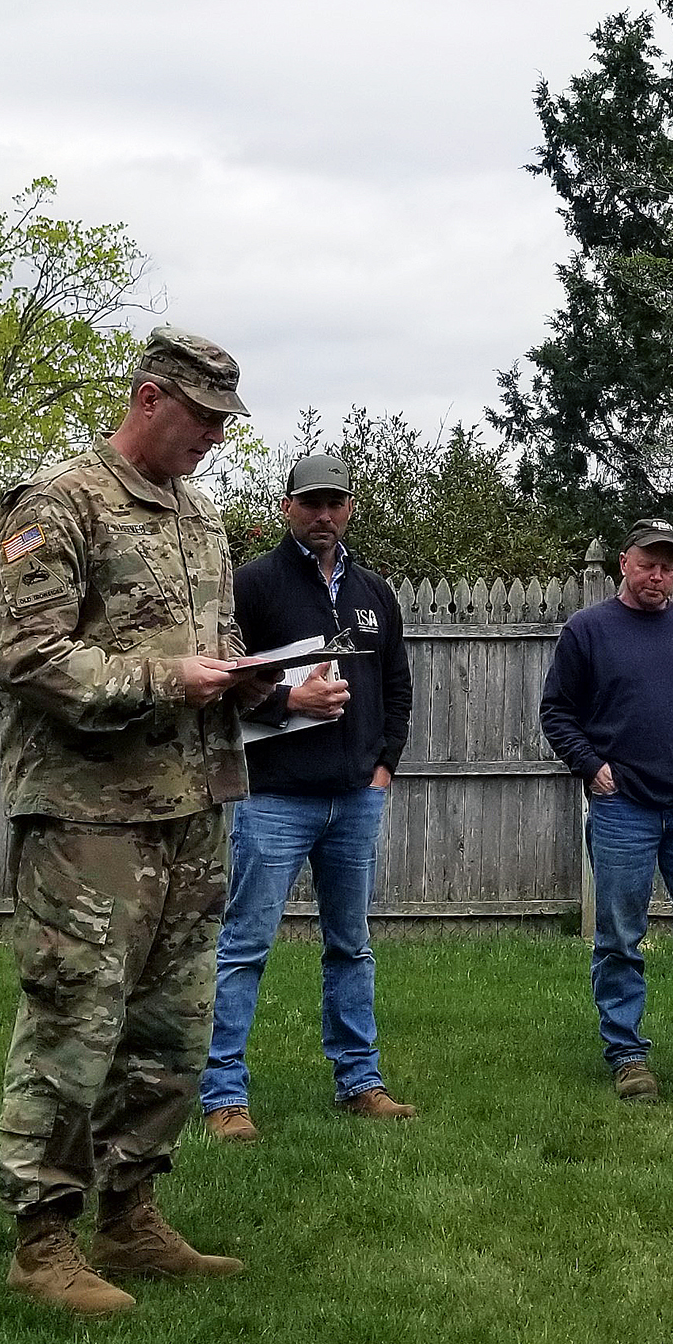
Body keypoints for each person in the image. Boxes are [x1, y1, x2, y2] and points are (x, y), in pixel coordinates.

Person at [0, 328, 273, 1315]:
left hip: (191, 808)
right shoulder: (55, 505)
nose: (214, 441)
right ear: (150, 399)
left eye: (224, 426)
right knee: (75, 1019)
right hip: (85, 817)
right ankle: (41, 1241)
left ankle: (132, 1216)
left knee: (170, 1030)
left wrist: (268, 688)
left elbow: (215, 653)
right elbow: (31, 658)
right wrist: (164, 679)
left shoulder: (203, 521)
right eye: (201, 420)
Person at [200, 452, 419, 1142]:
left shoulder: (375, 593)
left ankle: (360, 1081)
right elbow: (224, 681)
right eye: (311, 502)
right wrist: (291, 698)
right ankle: (224, 1094)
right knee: (244, 946)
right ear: (286, 506)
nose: (323, 515)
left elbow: (398, 690)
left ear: (350, 507)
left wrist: (382, 770)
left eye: (336, 502)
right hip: (275, 799)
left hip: (355, 800)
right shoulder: (254, 586)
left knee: (351, 945)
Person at [539, 519, 673, 1103]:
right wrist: (592, 766)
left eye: (667, 565)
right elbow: (557, 711)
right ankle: (628, 1056)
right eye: (646, 563)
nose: (656, 575)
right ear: (624, 564)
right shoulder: (587, 631)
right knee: (618, 938)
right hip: (620, 807)